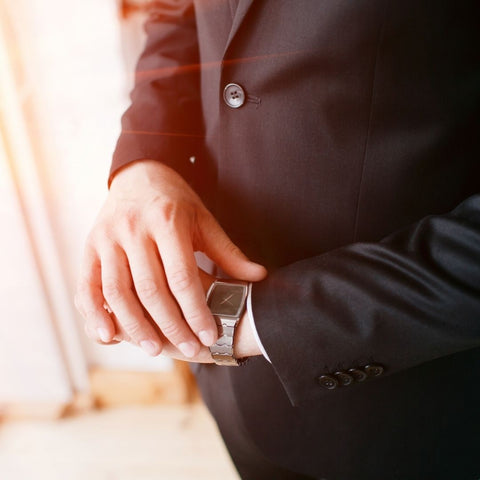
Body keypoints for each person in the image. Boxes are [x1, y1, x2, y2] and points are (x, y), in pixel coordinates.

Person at [75, 1, 480, 478]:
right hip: (235, 397)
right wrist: (144, 162)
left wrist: (252, 324)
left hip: (419, 411)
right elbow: (176, 14)